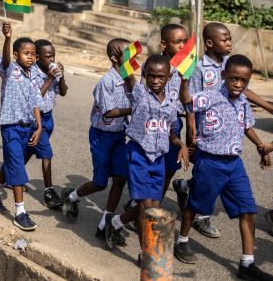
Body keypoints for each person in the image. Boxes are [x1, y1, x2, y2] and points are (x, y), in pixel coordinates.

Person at [174, 55, 272, 280]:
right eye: (233, 79)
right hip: (210, 162)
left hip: (234, 165)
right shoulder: (210, 97)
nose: (238, 84)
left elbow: (246, 126)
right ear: (223, 76)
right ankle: (182, 241)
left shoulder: (243, 102)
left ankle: (247, 264)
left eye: (244, 81)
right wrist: (184, 81)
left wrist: (261, 147)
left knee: (248, 210)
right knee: (196, 205)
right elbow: (187, 99)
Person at [104, 54, 186, 256]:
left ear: (168, 77)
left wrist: (181, 144)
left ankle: (115, 221)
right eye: (151, 76)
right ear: (144, 75)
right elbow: (128, 76)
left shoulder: (172, 103)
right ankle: (146, 252)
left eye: (160, 77)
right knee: (145, 206)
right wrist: (122, 59)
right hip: (138, 155)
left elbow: (170, 130)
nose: (155, 81)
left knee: (153, 207)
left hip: (158, 158)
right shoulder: (140, 93)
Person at [61, 39, 131, 246]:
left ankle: (105, 223)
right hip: (102, 136)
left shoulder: (130, 79)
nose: (131, 56)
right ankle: (73, 196)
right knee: (100, 182)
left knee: (120, 178)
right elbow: (109, 111)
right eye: (126, 53)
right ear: (114, 58)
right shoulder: (106, 82)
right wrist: (135, 110)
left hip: (119, 136)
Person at [0, 26, 42, 231]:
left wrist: (39, 126)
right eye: (26, 53)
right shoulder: (10, 69)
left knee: (11, 161)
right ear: (17, 54)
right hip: (11, 127)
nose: (31, 57)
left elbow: (35, 100)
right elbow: (5, 60)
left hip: (29, 126)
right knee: (17, 166)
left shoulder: (34, 72)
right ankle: (20, 212)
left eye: (33, 54)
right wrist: (8, 38)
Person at [28, 40, 68, 208]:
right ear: (37, 57)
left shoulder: (53, 71)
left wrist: (61, 76)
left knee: (29, 148)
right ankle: (49, 192)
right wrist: (50, 78)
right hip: (36, 118)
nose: (52, 59)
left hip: (48, 117)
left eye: (54, 55)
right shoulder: (33, 73)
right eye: (48, 56)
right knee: (46, 153)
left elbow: (64, 92)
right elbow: (36, 97)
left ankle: (9, 175)